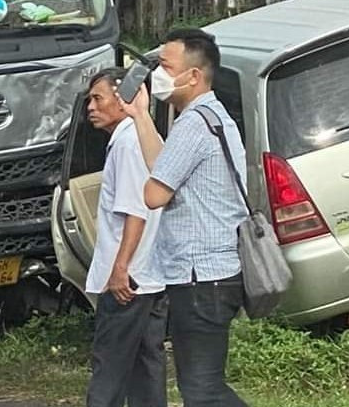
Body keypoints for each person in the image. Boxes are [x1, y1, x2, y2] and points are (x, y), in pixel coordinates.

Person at [122, 29, 250, 407]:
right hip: (212, 275)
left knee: (202, 390)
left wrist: (153, 179)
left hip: (201, 278)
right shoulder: (213, 116)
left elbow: (154, 193)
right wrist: (140, 116)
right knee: (202, 388)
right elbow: (166, 167)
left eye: (164, 66)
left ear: (193, 75)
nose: (157, 74)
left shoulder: (194, 123)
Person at [83, 68, 167, 407]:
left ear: (122, 100)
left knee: (110, 368)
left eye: (97, 98)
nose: (91, 106)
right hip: (149, 277)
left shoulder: (130, 143)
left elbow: (136, 211)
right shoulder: (137, 138)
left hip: (128, 280)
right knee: (147, 367)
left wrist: (119, 269)